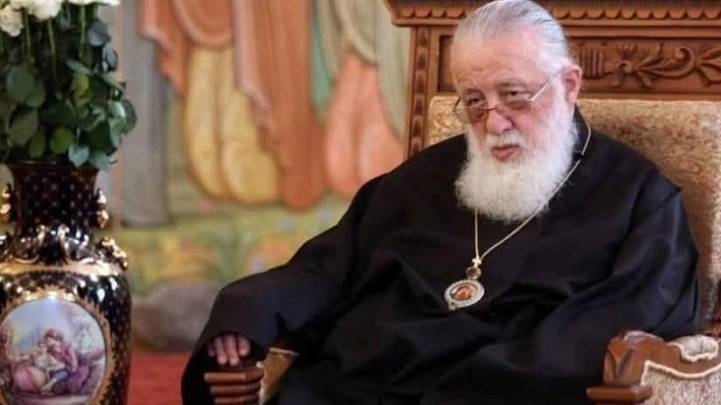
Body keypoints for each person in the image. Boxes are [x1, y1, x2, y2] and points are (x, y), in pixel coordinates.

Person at [182, 1, 699, 404]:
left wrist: (481, 380)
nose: (493, 122)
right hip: (359, 385)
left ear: (567, 85)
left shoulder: (637, 197)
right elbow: (329, 265)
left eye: (514, 95)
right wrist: (246, 313)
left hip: (506, 392)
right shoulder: (423, 178)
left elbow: (621, 319)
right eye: (474, 101)